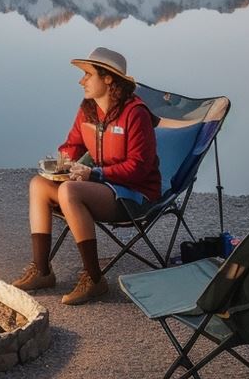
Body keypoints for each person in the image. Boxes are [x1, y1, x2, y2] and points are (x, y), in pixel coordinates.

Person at [12, 48, 161, 305]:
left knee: (70, 191)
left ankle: (94, 279)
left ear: (108, 78)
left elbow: (139, 167)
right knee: (38, 184)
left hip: (134, 194)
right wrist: (63, 162)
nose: (81, 81)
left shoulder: (135, 114)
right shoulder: (88, 109)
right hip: (102, 186)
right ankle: (42, 271)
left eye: (87, 75)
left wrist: (95, 173)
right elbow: (73, 144)